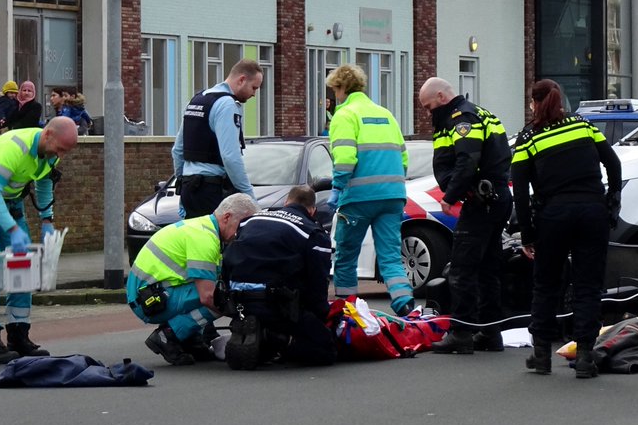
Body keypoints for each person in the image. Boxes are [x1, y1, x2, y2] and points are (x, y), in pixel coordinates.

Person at [511, 80, 621, 379]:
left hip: (554, 215)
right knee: (588, 286)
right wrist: (611, 200)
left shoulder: (528, 138)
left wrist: (527, 234)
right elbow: (613, 163)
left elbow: (519, 191)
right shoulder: (583, 125)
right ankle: (585, 355)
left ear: (534, 103)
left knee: (546, 285)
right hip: (592, 212)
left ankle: (542, 354)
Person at [0, 116, 79, 364]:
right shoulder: (14, 147)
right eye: (60, 149)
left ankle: (18, 336)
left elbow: (45, 181)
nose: (61, 155)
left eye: (66, 152)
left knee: (24, 265)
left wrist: (47, 220)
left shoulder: (50, 152)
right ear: (47, 135)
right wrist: (13, 229)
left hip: (11, 202)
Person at [417, 77, 513, 354]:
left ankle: (461, 332)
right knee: (488, 269)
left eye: (429, 106)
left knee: (461, 268)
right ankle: (490, 332)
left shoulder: (462, 118)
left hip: (480, 200)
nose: (428, 113)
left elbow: (467, 159)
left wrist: (450, 196)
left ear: (441, 98)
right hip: (496, 198)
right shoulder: (482, 113)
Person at [127, 193, 260, 366]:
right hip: (150, 302)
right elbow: (207, 296)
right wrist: (240, 316)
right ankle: (168, 335)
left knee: (218, 291)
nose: (243, 233)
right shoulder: (205, 239)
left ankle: (189, 338)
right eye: (242, 226)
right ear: (227, 217)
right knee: (222, 298)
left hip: (150, 294)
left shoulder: (203, 227)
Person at [325, 64, 414, 317]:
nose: (334, 96)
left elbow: (344, 157)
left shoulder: (345, 115)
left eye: (334, 90)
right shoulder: (386, 114)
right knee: (390, 255)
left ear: (342, 87)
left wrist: (337, 187)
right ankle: (405, 304)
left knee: (346, 255)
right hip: (393, 196)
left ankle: (347, 310)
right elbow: (403, 157)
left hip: (359, 198)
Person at [219, 186, 336, 370]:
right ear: (312, 210)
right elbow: (318, 282)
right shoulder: (313, 233)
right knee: (325, 348)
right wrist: (319, 317)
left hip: (236, 299)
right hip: (276, 303)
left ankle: (256, 331)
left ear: (286, 202)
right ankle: (275, 340)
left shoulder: (250, 220)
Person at [171, 59, 263, 219]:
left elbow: (178, 150)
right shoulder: (227, 104)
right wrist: (249, 197)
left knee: (194, 241)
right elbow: (231, 157)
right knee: (218, 241)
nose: (254, 94)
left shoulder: (197, 100)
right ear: (241, 80)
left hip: (190, 190)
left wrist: (182, 183)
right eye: (254, 87)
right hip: (211, 190)